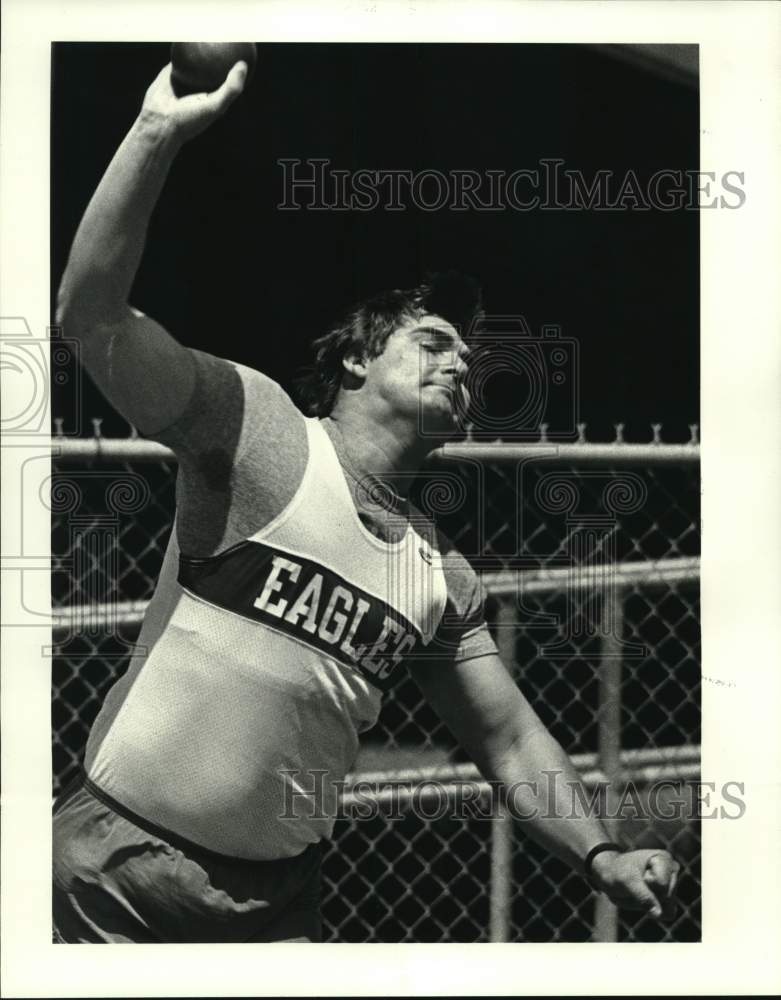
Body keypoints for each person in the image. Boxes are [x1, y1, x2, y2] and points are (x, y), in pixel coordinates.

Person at [53, 58, 679, 943]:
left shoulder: (439, 578)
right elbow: (93, 319)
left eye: (468, 358)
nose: (461, 360)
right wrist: (156, 134)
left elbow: (507, 739)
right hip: (110, 875)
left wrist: (601, 854)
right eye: (431, 341)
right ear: (354, 364)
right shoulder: (264, 437)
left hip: (275, 912)